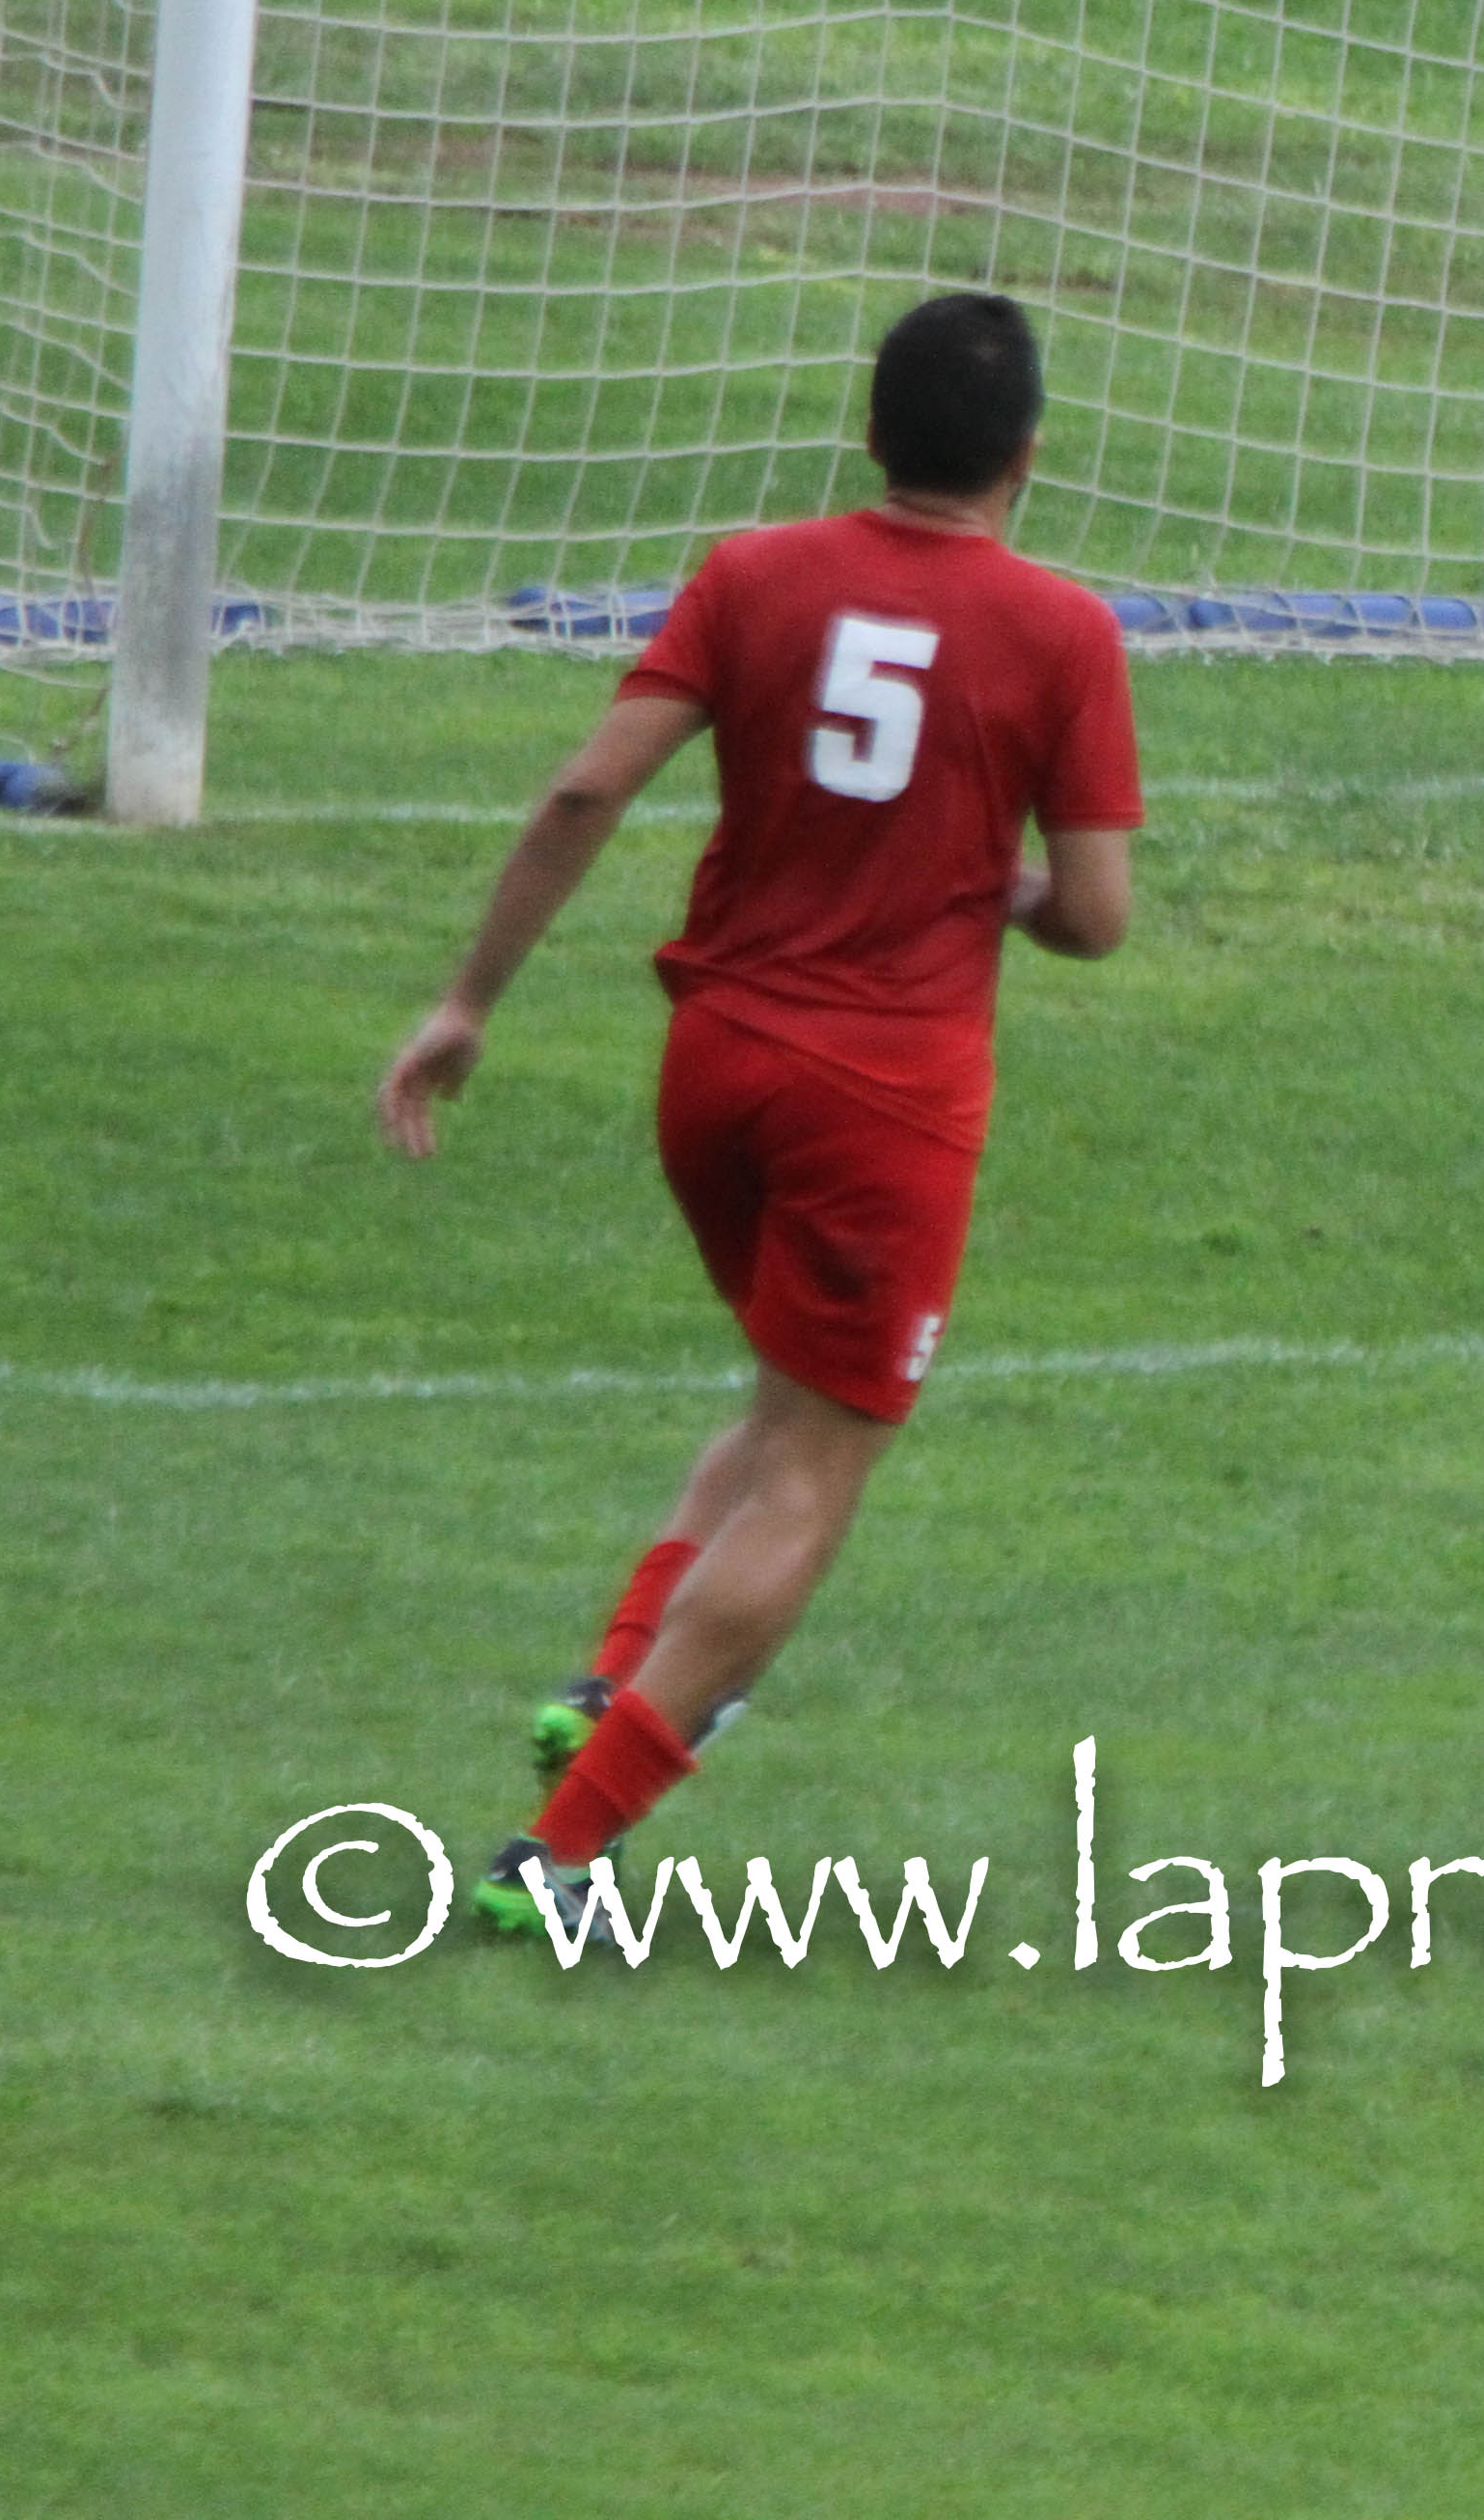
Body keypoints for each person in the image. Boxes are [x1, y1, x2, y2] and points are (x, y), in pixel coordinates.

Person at [377, 291, 1142, 1937]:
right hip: (885, 1102)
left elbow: (590, 784)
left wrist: (467, 1002)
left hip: (714, 1068)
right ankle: (561, 1858)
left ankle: (612, 1682)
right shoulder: (1062, 631)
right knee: (818, 1471)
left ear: (870, 435)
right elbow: (1094, 915)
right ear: (1028, 454)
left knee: (786, 1403)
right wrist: (994, 883)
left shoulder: (752, 574)